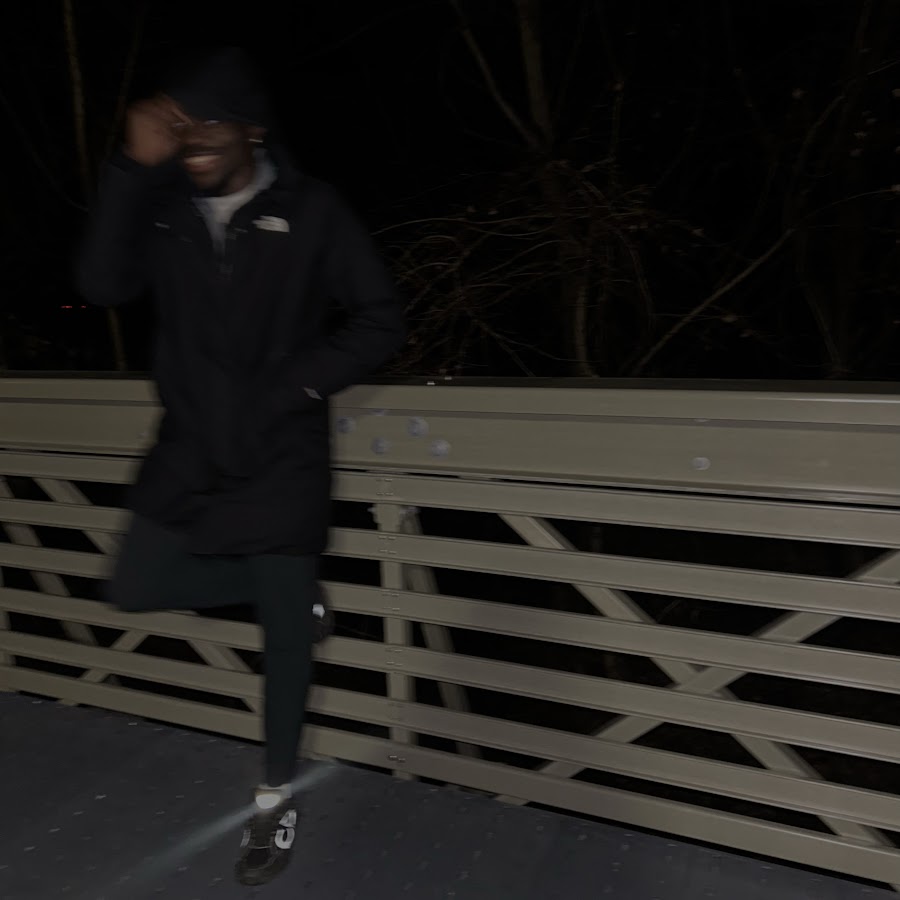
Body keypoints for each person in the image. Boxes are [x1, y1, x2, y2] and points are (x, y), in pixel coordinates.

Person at [75, 47, 406, 886]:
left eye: (209, 126)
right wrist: (130, 168)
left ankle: (274, 800)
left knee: (286, 647)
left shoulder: (312, 209)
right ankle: (289, 599)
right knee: (132, 586)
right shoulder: (162, 206)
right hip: (188, 448)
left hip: (281, 452)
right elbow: (101, 285)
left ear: (252, 131)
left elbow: (380, 321)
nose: (192, 142)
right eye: (180, 127)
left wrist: (292, 388)